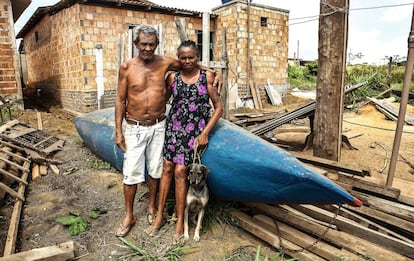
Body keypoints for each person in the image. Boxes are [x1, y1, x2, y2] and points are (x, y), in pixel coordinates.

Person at [114, 25, 220, 237]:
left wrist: (212, 72)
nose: (147, 48)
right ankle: (129, 215)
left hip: (160, 125)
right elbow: (120, 98)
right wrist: (118, 130)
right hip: (136, 126)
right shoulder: (126, 67)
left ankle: (153, 208)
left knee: (156, 170)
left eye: (151, 44)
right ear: (136, 44)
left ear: (157, 44)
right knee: (131, 173)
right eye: (143, 44)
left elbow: (190, 63)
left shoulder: (165, 63)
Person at [145, 40, 223, 243]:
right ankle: (160, 215)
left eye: (191, 57)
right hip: (174, 127)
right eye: (183, 57)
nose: (187, 61)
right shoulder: (172, 77)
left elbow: (218, 108)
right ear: (178, 59)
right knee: (167, 167)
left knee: (181, 171)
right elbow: (163, 101)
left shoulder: (207, 76)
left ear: (198, 57)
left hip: (194, 131)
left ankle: (180, 221)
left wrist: (205, 132)